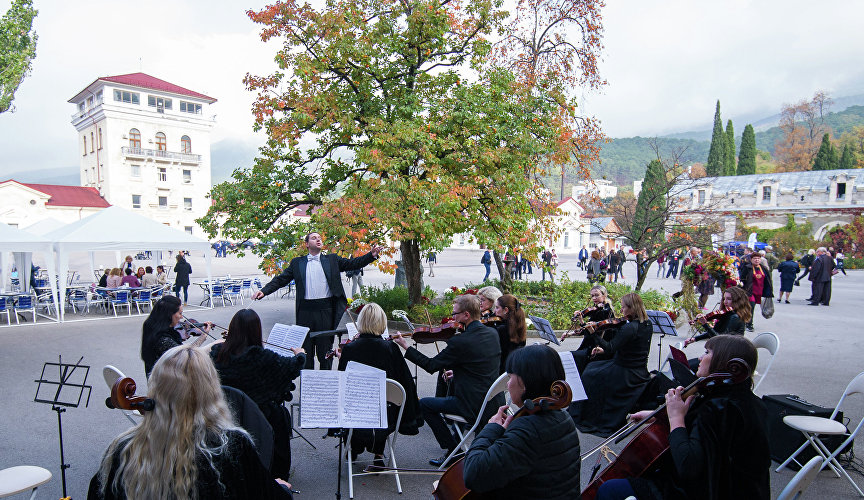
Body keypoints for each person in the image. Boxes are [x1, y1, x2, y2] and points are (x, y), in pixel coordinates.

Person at [88, 344, 293, 500]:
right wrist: (281, 488)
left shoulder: (123, 449)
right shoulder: (231, 446)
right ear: (211, 391)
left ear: (156, 388)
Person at [595, 335, 770, 500]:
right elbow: (705, 433)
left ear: (725, 363)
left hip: (710, 492)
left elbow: (688, 467)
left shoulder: (717, 408)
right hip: (742, 491)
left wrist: (676, 418)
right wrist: (659, 416)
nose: (700, 358)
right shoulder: (749, 402)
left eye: (707, 352)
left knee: (609, 490)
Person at [392, 295, 501, 467]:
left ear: (466, 315)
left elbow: (431, 365)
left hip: (472, 405)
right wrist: (456, 373)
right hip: (492, 401)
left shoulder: (460, 341)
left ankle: (454, 451)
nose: (452, 317)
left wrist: (405, 346)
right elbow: (480, 365)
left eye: (454, 313)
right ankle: (454, 450)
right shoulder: (492, 333)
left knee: (425, 405)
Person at [463, 345, 581, 499]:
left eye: (510, 376)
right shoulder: (563, 418)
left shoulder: (529, 429)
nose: (507, 384)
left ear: (525, 383)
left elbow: (473, 474)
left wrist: (491, 428)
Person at [252, 232, 381, 370]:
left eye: (319, 238)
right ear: (307, 244)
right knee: (305, 353)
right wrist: (264, 291)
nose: (318, 239)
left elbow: (353, 263)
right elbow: (281, 279)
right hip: (305, 312)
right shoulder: (297, 263)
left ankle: (326, 384)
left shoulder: (332, 260)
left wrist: (371, 255)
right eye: (314, 238)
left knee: (325, 353)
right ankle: (308, 385)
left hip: (325, 311)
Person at [211, 309, 306, 480]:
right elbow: (294, 366)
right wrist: (300, 354)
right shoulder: (262, 357)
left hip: (227, 414)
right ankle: (277, 476)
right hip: (260, 417)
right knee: (280, 415)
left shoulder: (218, 354)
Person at [334, 303, 422, 464]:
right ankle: (379, 453)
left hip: (356, 411)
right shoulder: (390, 348)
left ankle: (353, 448)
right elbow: (403, 379)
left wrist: (342, 359)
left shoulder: (350, 348)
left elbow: (343, 382)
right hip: (385, 413)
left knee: (350, 399)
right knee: (385, 399)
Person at [568, 292, 652, 437]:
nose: (621, 310)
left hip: (625, 370)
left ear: (632, 308)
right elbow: (629, 345)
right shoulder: (646, 324)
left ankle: (588, 416)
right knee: (593, 368)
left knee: (590, 373)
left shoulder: (630, 327)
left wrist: (593, 334)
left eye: (624, 307)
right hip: (637, 367)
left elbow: (610, 347)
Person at [141, 295, 211, 378]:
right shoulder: (162, 339)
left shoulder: (153, 327)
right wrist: (204, 336)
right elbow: (186, 355)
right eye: (180, 313)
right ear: (169, 314)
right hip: (165, 382)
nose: (181, 317)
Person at [565, 284, 616, 373]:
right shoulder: (597, 310)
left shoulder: (605, 312)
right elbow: (586, 330)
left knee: (570, 359)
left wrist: (581, 321)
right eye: (592, 296)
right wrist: (570, 333)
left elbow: (591, 332)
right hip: (589, 344)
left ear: (604, 296)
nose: (594, 298)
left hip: (595, 347)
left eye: (597, 295)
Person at [492, 294, 527, 374]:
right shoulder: (519, 325)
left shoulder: (501, 329)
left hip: (500, 370)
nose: (494, 311)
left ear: (506, 310)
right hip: (513, 369)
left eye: (497, 308)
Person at [739, 252, 773, 331]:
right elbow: (742, 279)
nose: (757, 260)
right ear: (751, 260)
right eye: (755, 258)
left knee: (750, 308)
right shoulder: (747, 268)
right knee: (751, 307)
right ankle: (749, 324)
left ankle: (745, 321)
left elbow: (768, 280)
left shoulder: (763, 268)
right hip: (749, 291)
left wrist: (769, 291)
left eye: (758, 258)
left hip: (759, 291)